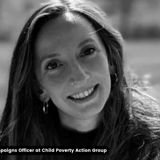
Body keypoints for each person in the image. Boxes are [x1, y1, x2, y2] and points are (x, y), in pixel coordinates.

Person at [0, 0, 160, 160]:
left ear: (111, 60)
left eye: (88, 51)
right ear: (39, 88)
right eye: (53, 65)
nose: (79, 76)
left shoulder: (153, 146)